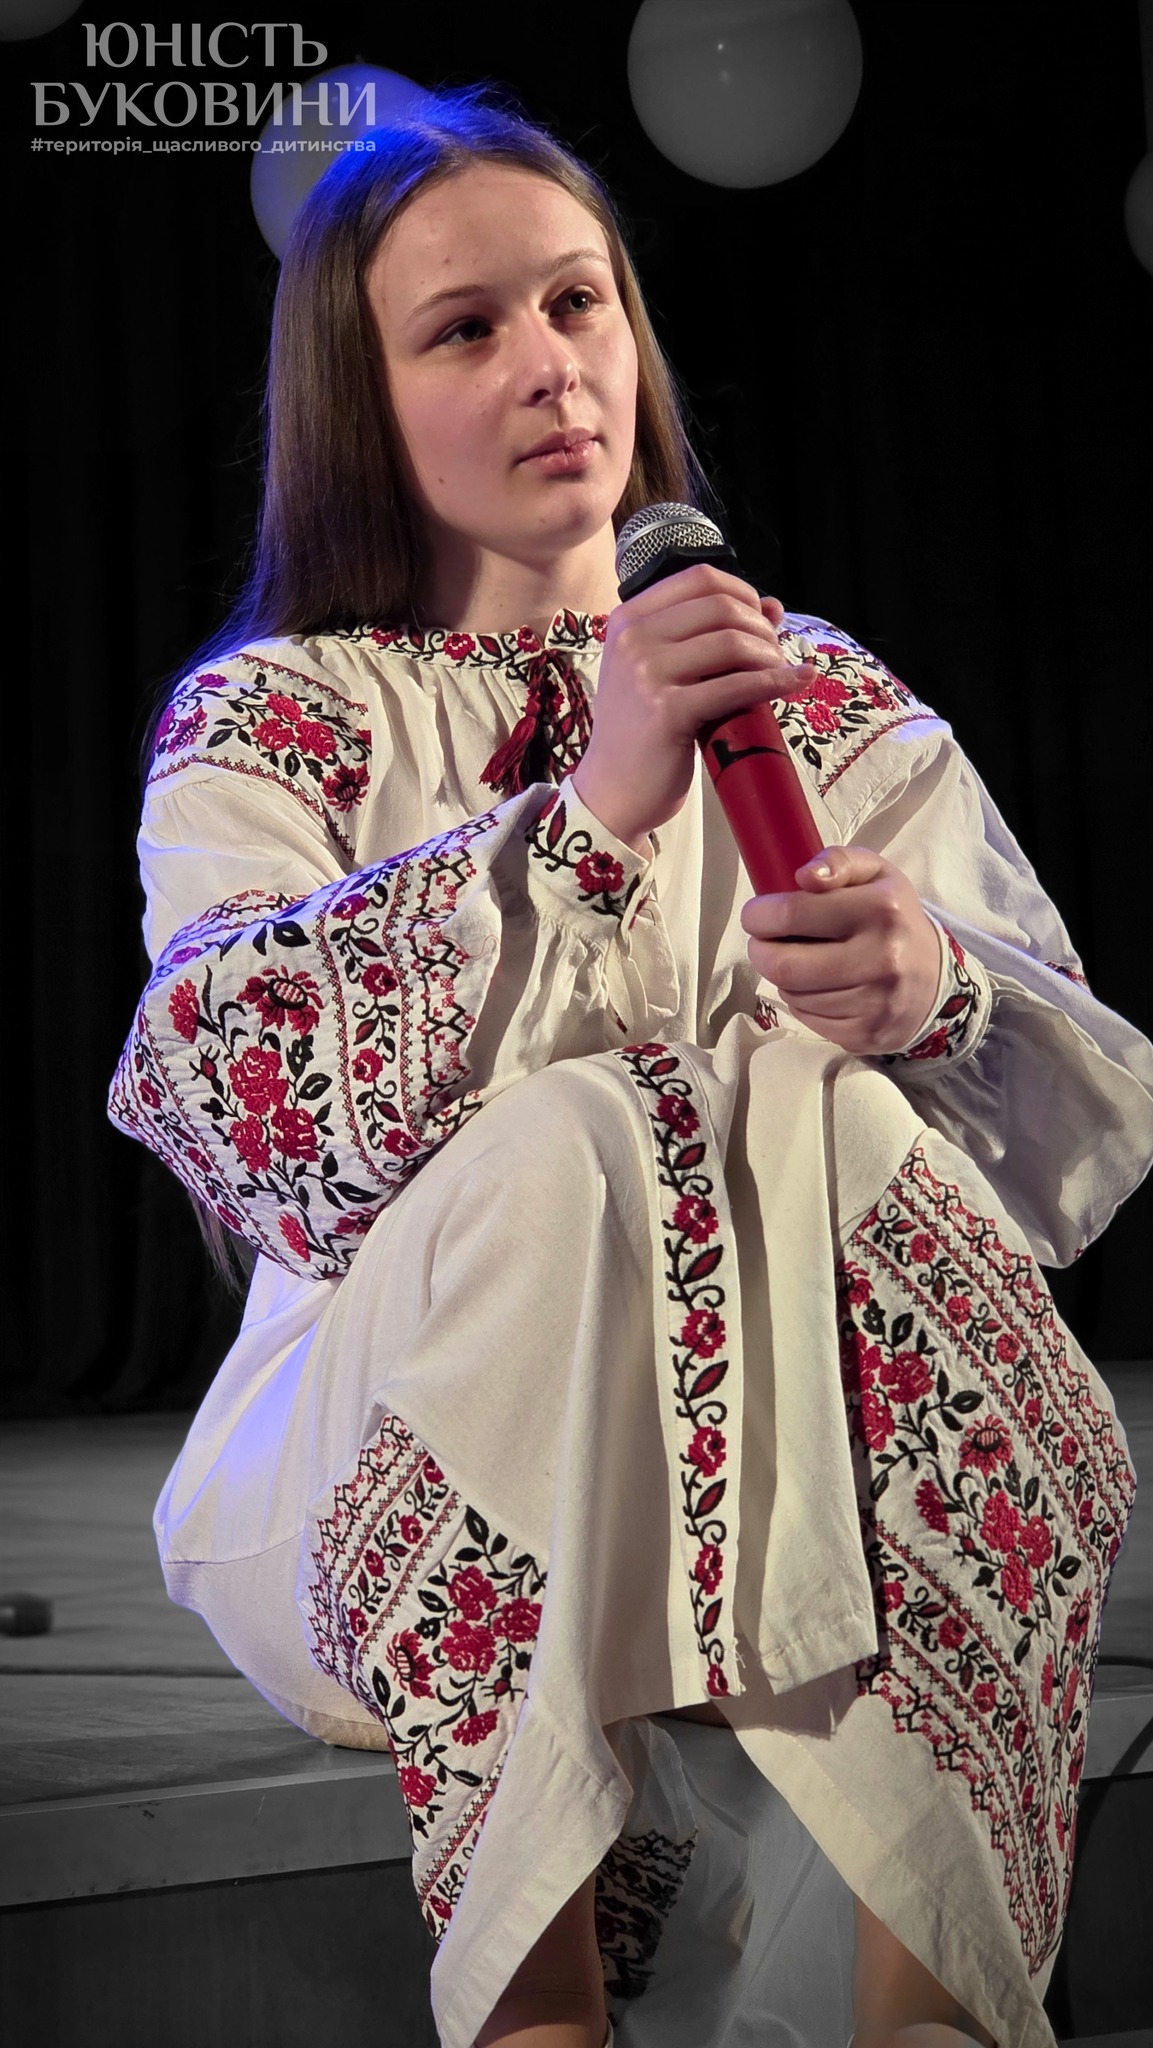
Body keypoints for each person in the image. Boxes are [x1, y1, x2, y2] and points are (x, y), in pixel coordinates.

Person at [108, 83, 1153, 2048]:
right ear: (356, 402)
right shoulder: (272, 719)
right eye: (465, 328)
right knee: (582, 1126)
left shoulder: (810, 692)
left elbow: (1073, 1136)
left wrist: (928, 988)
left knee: (829, 1101)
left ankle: (928, 2005)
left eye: (577, 302)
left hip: (792, 1456)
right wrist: (589, 814)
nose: (551, 366)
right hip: (378, 1449)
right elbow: (248, 1116)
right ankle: (536, 2007)